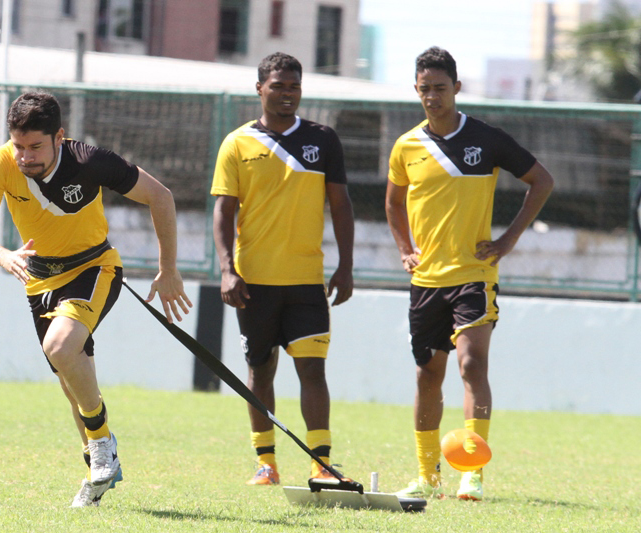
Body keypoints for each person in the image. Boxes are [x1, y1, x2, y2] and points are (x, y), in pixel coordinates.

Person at [0, 92, 192, 507]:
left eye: (35, 146)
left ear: (59, 137)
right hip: (38, 281)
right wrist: (3, 255)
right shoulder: (0, 162)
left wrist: (169, 269)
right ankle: (98, 473)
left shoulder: (89, 161)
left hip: (94, 269)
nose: (25, 156)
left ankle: (102, 442)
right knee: (72, 383)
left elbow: (161, 196)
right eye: (18, 145)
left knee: (59, 347)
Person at [385, 47, 554, 501]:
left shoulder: (488, 139)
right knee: (427, 376)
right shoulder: (406, 146)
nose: (433, 97)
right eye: (425, 89)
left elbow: (542, 180)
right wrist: (405, 249)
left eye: (441, 88)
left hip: (474, 275)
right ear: (416, 91)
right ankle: (427, 475)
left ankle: (472, 472)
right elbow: (393, 203)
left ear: (457, 88)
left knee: (471, 363)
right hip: (426, 280)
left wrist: (508, 240)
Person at [211, 52, 355, 485]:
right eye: (278, 85)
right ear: (260, 89)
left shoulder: (323, 139)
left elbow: (341, 206)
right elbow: (223, 212)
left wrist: (346, 267)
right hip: (253, 282)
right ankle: (266, 463)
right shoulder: (237, 143)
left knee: (312, 370)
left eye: (294, 85)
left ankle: (322, 464)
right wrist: (226, 269)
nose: (287, 93)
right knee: (260, 369)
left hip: (307, 282)